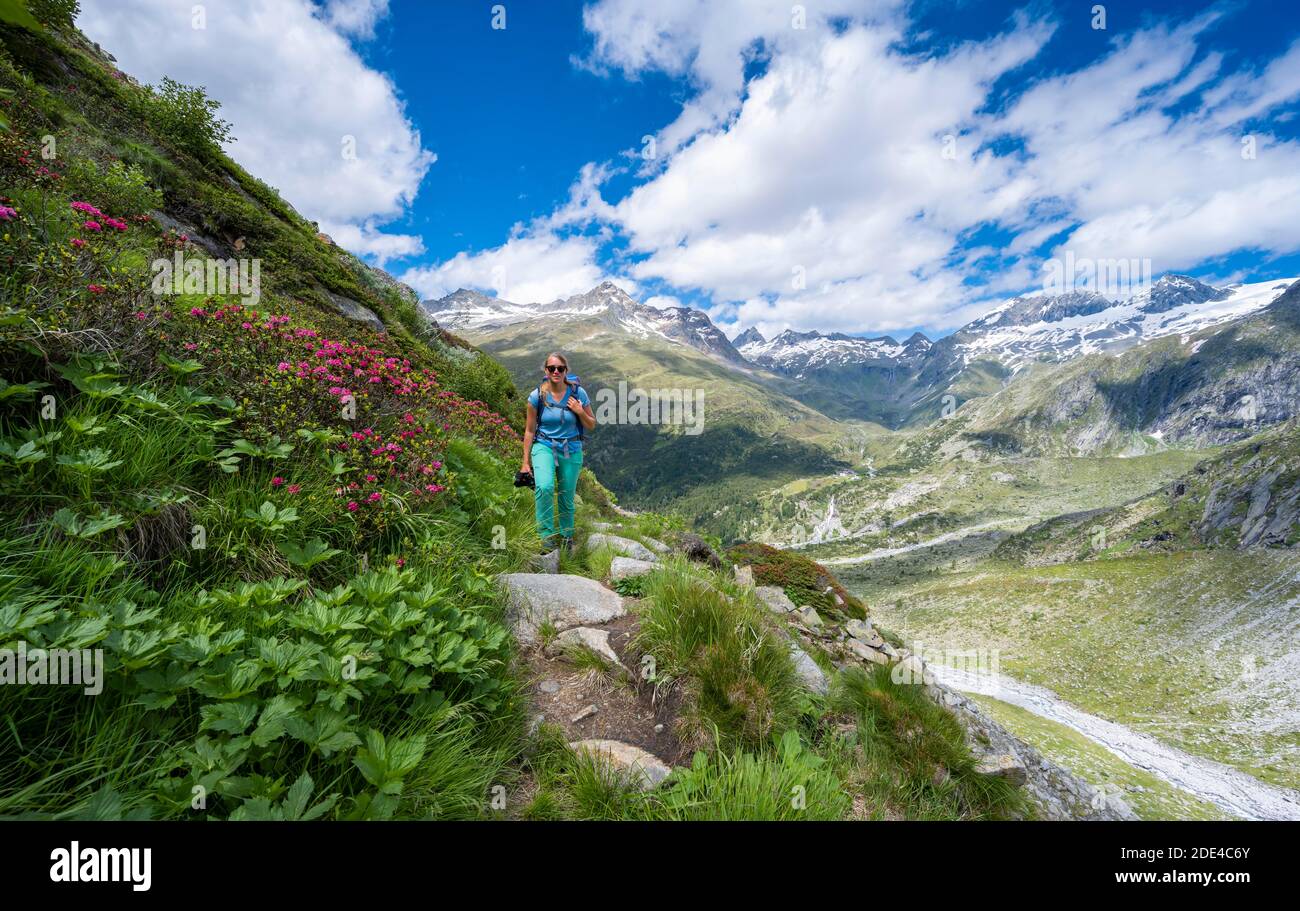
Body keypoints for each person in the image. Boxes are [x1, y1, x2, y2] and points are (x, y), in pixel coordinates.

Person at [521, 353, 596, 551]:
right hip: (543, 446)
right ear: (545, 371)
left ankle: (566, 538)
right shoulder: (537, 396)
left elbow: (591, 425)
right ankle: (545, 537)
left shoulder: (578, 394)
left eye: (560, 368)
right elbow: (529, 431)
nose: (556, 371)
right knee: (544, 487)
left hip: (571, 448)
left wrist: (580, 412)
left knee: (566, 495)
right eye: (552, 368)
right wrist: (525, 463)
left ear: (565, 371)